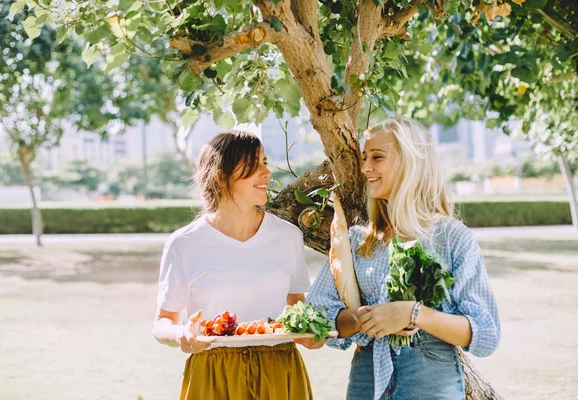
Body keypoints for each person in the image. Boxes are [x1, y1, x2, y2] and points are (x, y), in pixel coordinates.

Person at [306, 117, 501, 400]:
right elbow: (319, 311)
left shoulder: (451, 238)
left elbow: (485, 334)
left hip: (430, 384)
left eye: (377, 157)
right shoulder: (358, 239)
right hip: (366, 383)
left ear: (410, 162)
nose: (365, 168)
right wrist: (361, 319)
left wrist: (413, 313)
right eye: (364, 158)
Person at [153, 130, 319, 400]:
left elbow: (296, 310)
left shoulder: (288, 236)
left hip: (280, 369)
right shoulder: (184, 244)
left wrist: (312, 334)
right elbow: (162, 323)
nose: (266, 173)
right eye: (254, 166)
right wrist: (182, 334)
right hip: (213, 372)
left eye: (265, 163)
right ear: (221, 175)